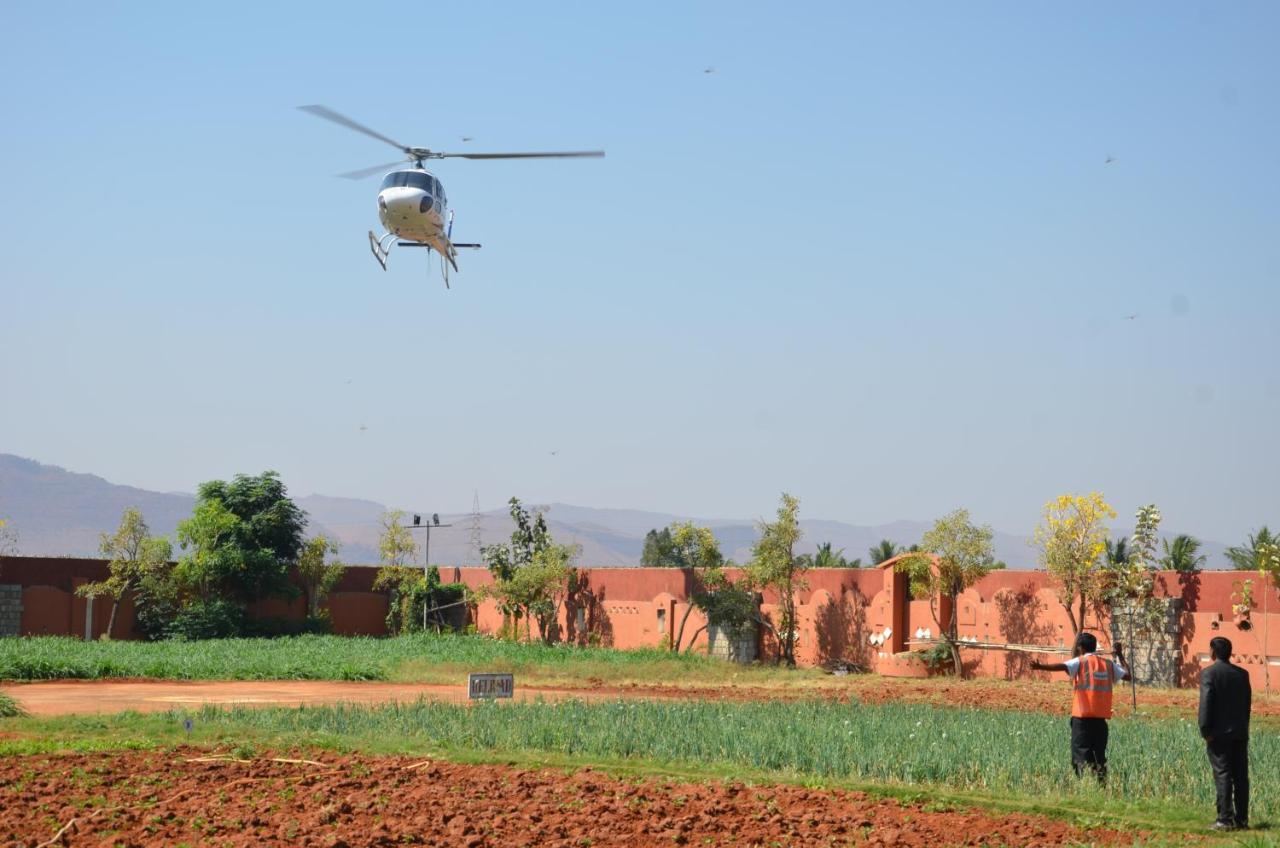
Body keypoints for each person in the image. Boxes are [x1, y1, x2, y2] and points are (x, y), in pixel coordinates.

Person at [1030, 632, 1128, 783]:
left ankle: (1082, 786)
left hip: (1081, 720)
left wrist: (1040, 666)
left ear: (1081, 648)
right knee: (1099, 757)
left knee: (1080, 756)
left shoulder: (1080, 662)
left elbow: (1062, 666)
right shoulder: (1108, 664)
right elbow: (1128, 675)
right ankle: (1101, 787)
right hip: (1100, 721)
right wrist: (1120, 655)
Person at [1199, 636, 1252, 831]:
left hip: (1218, 735)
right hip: (1239, 733)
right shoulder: (1242, 674)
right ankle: (1242, 820)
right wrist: (1244, 728)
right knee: (1240, 777)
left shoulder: (1209, 674)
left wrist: (1205, 730)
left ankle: (1224, 819)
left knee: (1223, 774)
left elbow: (1206, 704)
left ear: (1213, 652)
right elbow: (1247, 704)